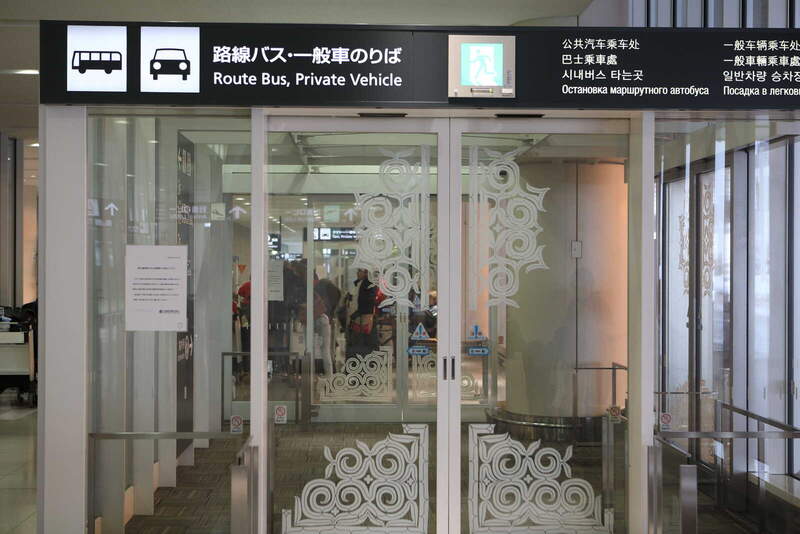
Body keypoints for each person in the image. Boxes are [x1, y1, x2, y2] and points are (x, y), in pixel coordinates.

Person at [341, 268, 378, 358]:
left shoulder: (368, 284)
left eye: (359, 271)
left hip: (363, 318)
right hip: (358, 317)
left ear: (365, 273)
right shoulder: (359, 283)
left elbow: (367, 302)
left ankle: (361, 360)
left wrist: (358, 313)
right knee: (357, 340)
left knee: (361, 341)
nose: (357, 273)